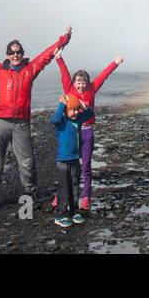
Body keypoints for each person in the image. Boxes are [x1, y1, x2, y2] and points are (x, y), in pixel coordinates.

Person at [0, 25, 71, 210]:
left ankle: (29, 194)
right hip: (0, 123)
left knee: (27, 161)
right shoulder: (0, 70)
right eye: (12, 52)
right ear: (7, 55)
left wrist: (65, 39)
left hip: (21, 123)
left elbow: (48, 54)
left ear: (22, 54)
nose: (15, 55)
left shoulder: (30, 70)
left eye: (18, 52)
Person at [52, 48, 122, 211]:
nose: (81, 85)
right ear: (74, 82)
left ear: (87, 83)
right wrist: (58, 58)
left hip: (87, 131)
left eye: (84, 82)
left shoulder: (92, 88)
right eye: (78, 82)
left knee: (85, 166)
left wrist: (115, 63)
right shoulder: (69, 88)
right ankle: (60, 196)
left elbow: (104, 75)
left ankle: (86, 198)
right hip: (71, 131)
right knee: (67, 165)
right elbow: (64, 73)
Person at [50, 93, 93, 228]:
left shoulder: (78, 120)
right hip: (63, 161)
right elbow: (54, 119)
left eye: (76, 110)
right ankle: (61, 215)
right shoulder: (62, 121)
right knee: (64, 188)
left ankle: (74, 211)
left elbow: (90, 114)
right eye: (72, 110)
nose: (75, 113)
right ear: (66, 111)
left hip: (75, 159)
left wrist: (82, 105)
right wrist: (62, 105)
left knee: (75, 186)